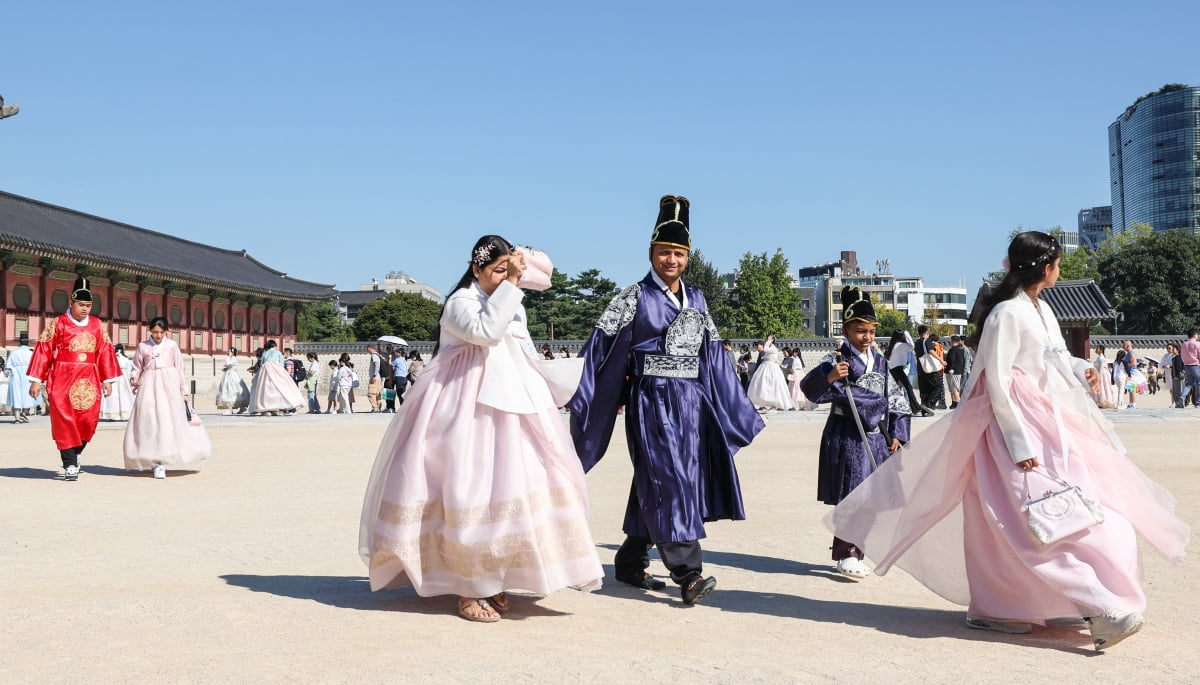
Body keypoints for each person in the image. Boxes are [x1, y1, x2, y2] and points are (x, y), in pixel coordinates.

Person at [825, 232, 1189, 650]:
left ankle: (1012, 604)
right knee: (1032, 522)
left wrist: (1080, 367)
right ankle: (1095, 606)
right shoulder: (1004, 315)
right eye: (1056, 262)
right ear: (1043, 266)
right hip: (1009, 429)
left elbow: (1049, 356)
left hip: (1047, 423)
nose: (1060, 268)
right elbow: (995, 380)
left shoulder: (1041, 308)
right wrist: (1019, 444)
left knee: (1075, 513)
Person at [359, 235, 603, 623]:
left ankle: (499, 575)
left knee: (520, 486)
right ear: (476, 269)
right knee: (467, 487)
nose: (506, 277)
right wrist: (510, 284)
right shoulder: (460, 302)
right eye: (496, 270)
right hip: (463, 408)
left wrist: (518, 262)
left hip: (516, 406)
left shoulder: (509, 294)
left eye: (509, 270)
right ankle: (471, 586)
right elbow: (487, 333)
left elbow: (545, 276)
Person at [567, 195, 764, 605]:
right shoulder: (632, 297)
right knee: (670, 479)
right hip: (651, 402)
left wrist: (732, 407)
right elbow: (598, 348)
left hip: (691, 403)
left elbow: (713, 355)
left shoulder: (697, 299)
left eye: (678, 253)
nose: (670, 260)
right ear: (650, 253)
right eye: (663, 252)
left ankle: (630, 558)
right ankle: (688, 572)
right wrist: (577, 392)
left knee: (666, 478)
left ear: (688, 257)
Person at [800, 287, 910, 579]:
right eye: (860, 331)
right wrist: (830, 376)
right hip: (848, 434)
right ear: (846, 329)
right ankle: (846, 553)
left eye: (871, 331)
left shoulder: (881, 362)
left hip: (876, 436)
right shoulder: (835, 359)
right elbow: (812, 388)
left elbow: (896, 398)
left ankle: (856, 549)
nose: (867, 337)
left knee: (872, 497)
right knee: (853, 495)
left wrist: (896, 432)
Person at [26, 277, 121, 481]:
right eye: (81, 305)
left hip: (89, 377)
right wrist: (37, 379)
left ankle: (77, 452)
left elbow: (105, 351)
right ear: (71, 303)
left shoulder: (96, 325)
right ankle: (69, 462)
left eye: (88, 305)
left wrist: (108, 379)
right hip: (62, 376)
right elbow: (44, 349)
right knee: (63, 419)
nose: (85, 309)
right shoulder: (59, 323)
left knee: (88, 419)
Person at [123, 318, 211, 479]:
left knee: (167, 420)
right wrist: (134, 378)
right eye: (155, 332)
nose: (157, 335)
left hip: (169, 385)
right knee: (149, 420)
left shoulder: (172, 346)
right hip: (149, 385)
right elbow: (136, 366)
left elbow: (179, 369)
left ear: (166, 332)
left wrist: (183, 391)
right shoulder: (143, 346)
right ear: (150, 330)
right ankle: (154, 460)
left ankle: (163, 459)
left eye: (161, 332)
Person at [248, 340, 305, 416]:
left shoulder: (264, 353)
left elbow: (262, 363)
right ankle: (278, 408)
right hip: (276, 371)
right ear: (274, 346)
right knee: (279, 389)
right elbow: (281, 363)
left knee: (266, 390)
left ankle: (266, 409)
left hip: (265, 372)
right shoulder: (278, 352)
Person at [886, 330, 932, 417]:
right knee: (908, 387)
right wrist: (907, 333)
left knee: (895, 389)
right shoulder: (901, 345)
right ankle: (916, 407)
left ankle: (893, 406)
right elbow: (912, 345)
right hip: (898, 369)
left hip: (893, 369)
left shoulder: (893, 345)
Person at [747, 334, 795, 412]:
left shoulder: (773, 348)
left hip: (771, 368)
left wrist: (769, 341)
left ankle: (772, 403)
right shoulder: (770, 348)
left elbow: (765, 349)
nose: (766, 340)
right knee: (763, 385)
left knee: (772, 385)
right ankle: (763, 403)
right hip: (765, 367)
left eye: (768, 339)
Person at [4, 332, 37, 423]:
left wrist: (8, 372)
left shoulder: (14, 353)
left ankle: (17, 417)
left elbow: (8, 366)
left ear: (19, 343)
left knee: (16, 395)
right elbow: (35, 365)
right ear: (28, 343)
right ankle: (24, 413)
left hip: (16, 375)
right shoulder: (31, 353)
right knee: (28, 395)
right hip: (28, 374)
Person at [99, 343, 136, 420]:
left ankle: (110, 413)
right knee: (123, 396)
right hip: (123, 378)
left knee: (112, 396)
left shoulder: (112, 358)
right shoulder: (126, 359)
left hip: (113, 377)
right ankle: (124, 413)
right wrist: (131, 381)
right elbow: (129, 370)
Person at [945, 335, 967, 409]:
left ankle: (957, 403)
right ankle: (954, 403)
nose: (950, 342)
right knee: (953, 388)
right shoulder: (961, 349)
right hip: (958, 371)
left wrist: (951, 368)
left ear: (953, 341)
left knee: (954, 388)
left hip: (953, 372)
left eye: (951, 340)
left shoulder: (953, 350)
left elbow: (952, 359)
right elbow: (962, 361)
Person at [1180, 330, 1200, 408]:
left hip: (1187, 366)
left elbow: (1182, 356)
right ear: (1195, 335)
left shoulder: (1184, 345)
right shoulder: (1197, 344)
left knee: (1189, 384)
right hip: (1196, 365)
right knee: (1199, 384)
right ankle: (1198, 402)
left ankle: (1182, 396)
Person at [365, 345, 383, 413]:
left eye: (367, 348)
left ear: (370, 348)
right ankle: (378, 407)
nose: (367, 350)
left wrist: (374, 375)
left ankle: (375, 408)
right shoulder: (378, 355)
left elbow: (377, 364)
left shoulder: (374, 355)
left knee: (371, 393)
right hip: (378, 378)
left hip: (375, 378)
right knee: (377, 393)